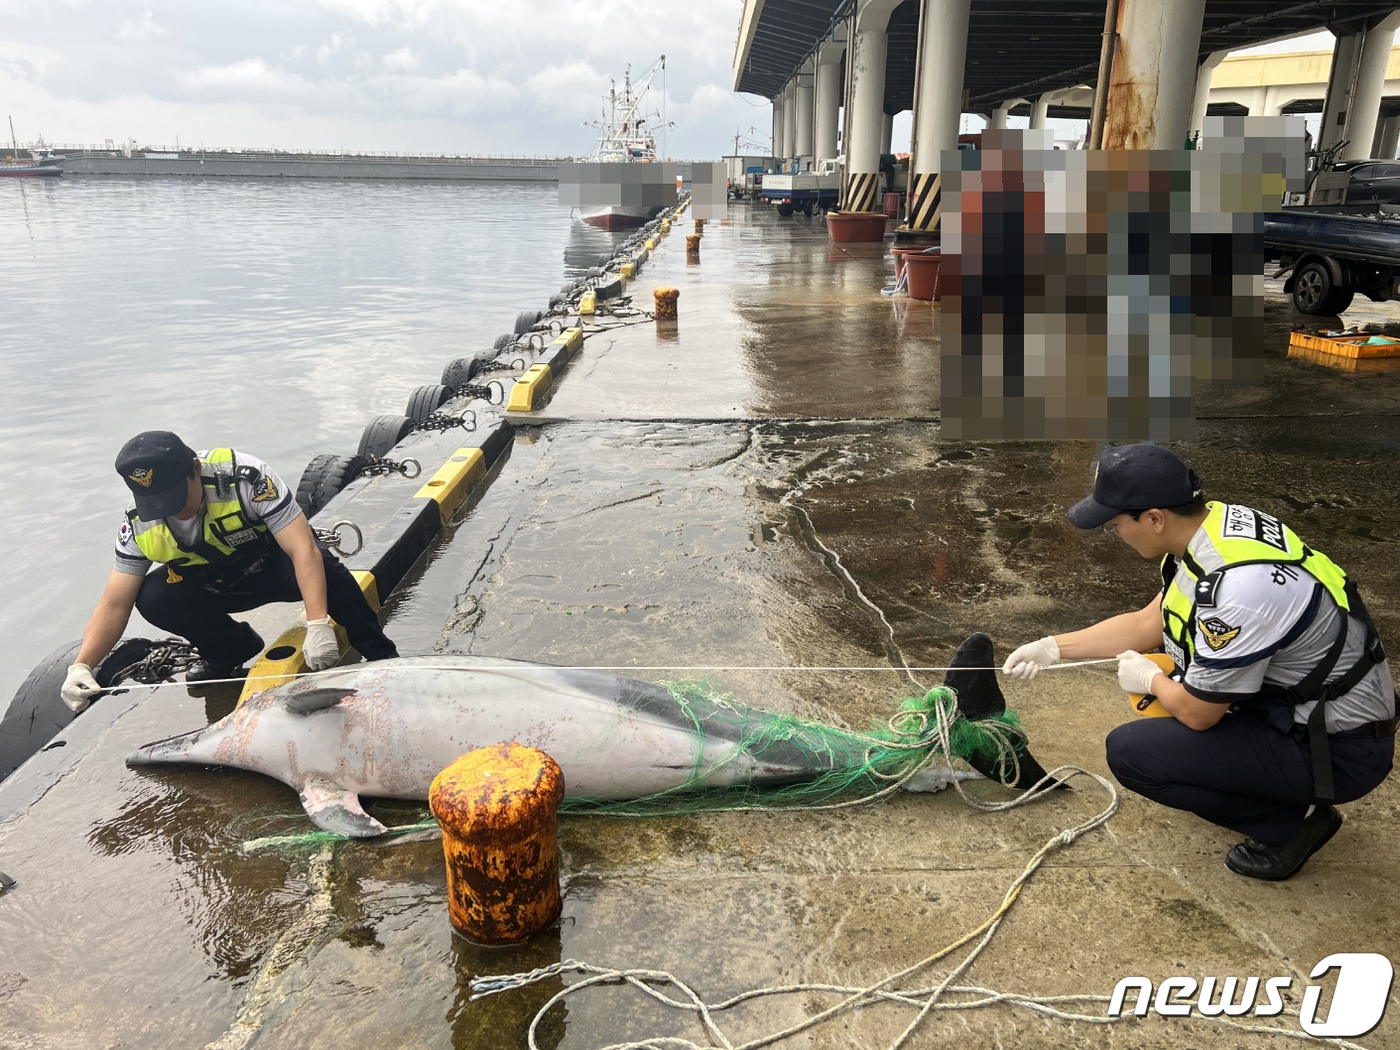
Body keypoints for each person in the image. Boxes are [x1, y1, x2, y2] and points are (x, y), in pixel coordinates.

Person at [1003, 443, 1396, 881]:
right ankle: (1266, 784)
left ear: (1154, 518)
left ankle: (1294, 823)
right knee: (1176, 707)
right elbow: (1149, 621)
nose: (1116, 535)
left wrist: (1151, 679)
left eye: (1115, 525)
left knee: (1134, 754)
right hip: (1312, 708)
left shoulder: (1238, 591)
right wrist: (1051, 648)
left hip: (1338, 749)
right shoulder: (1214, 530)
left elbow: (1198, 714)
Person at [61, 431, 398, 712]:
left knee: (326, 568)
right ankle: (230, 649)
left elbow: (302, 549)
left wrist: (317, 624)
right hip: (216, 586)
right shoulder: (138, 522)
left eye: (175, 497)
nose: (171, 511)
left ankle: (382, 656)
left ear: (195, 468)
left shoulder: (244, 477)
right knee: (152, 596)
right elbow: (114, 603)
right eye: (157, 502)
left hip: (274, 567)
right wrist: (82, 665)